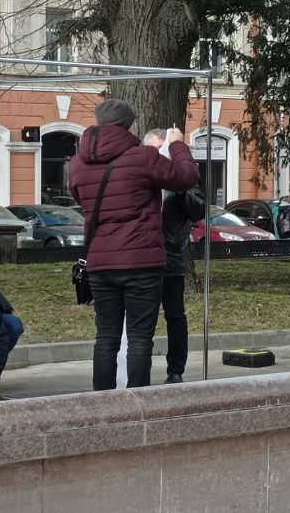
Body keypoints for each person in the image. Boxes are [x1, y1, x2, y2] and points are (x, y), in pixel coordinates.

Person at [68, 99, 198, 391]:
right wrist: (178, 145)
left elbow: (81, 200)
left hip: (100, 261)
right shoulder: (143, 157)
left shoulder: (77, 163)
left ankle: (102, 402)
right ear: (130, 125)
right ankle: (138, 404)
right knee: (139, 338)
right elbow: (186, 178)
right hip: (141, 261)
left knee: (106, 338)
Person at [143, 128, 206, 384]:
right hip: (144, 258)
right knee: (143, 320)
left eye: (164, 152)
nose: (160, 158)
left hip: (172, 256)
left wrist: (180, 188)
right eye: (155, 152)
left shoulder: (182, 176)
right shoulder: (140, 172)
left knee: (176, 316)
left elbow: (198, 209)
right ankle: (138, 373)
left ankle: (176, 370)